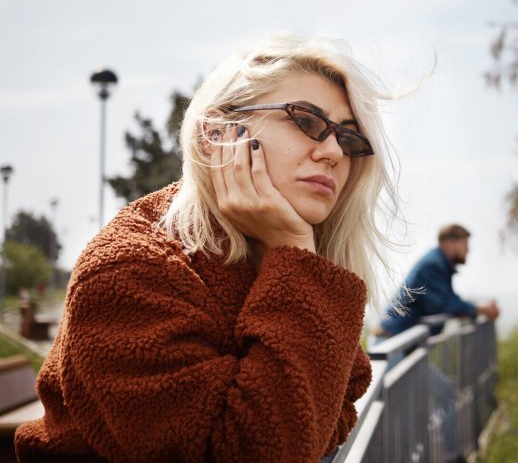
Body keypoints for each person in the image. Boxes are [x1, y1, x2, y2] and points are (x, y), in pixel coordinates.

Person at [15, 34, 399, 462]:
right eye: (307, 120)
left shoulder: (273, 257)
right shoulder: (130, 270)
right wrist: (296, 250)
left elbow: (334, 403)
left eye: (348, 139)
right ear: (218, 134)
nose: (332, 152)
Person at [379, 223, 499, 337]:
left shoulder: (439, 264)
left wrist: (478, 308)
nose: (468, 250)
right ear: (450, 243)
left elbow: (448, 299)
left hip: (401, 341)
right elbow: (444, 304)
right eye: (465, 244)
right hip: (393, 344)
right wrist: (481, 308)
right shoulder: (433, 265)